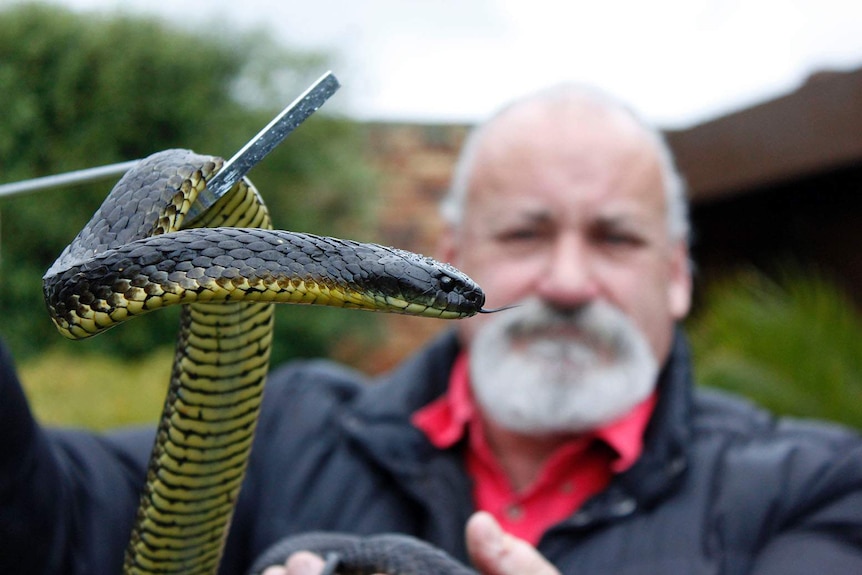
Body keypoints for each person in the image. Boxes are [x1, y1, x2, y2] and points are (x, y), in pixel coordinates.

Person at [2, 84, 861, 575]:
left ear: (679, 275)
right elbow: (45, 517)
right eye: (524, 233)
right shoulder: (288, 428)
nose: (565, 281)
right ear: (448, 252)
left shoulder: (815, 489)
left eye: (615, 237)